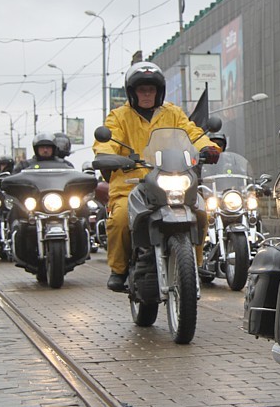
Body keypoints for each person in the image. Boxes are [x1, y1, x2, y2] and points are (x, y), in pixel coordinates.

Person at [93, 61, 221, 292]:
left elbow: (192, 133)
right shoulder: (119, 116)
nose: (146, 94)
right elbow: (107, 142)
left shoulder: (172, 113)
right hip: (132, 185)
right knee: (120, 218)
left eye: (151, 89)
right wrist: (107, 156)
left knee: (201, 212)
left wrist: (207, 147)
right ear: (132, 92)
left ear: (159, 92)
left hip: (171, 180)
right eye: (141, 89)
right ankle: (119, 269)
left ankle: (194, 265)